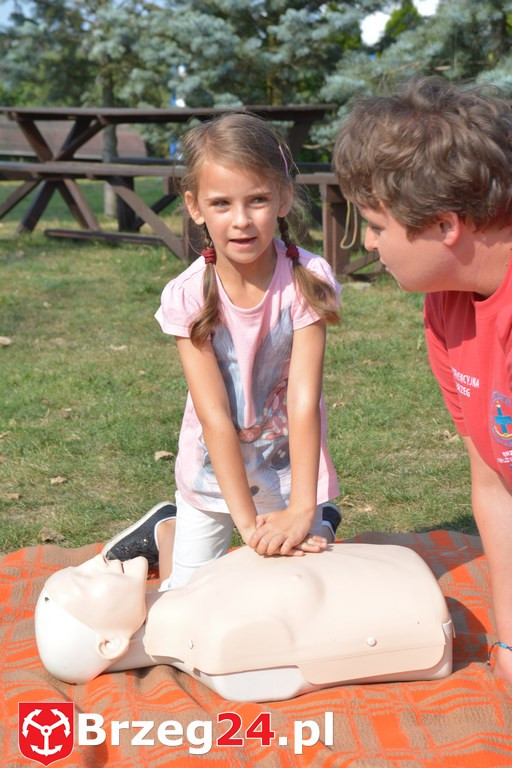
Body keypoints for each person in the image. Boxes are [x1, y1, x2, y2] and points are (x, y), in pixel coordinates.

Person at [103, 113, 341, 590]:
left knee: (300, 592)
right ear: (194, 206)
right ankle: (167, 528)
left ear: (284, 198)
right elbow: (214, 418)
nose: (241, 220)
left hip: (287, 467)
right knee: (186, 605)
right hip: (211, 472)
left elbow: (302, 401)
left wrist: (299, 511)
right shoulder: (187, 295)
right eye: (221, 203)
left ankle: (321, 516)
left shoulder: (307, 280)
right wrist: (249, 525)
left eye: (257, 200)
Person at [333, 75, 512, 684]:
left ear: (444, 224)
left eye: (377, 226)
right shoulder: (447, 301)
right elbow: (495, 486)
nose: (369, 245)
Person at [35, 546, 453, 698]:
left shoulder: (204, 583)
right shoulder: (222, 650)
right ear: (110, 644)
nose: (97, 560)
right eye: (86, 581)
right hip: (418, 610)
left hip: (405, 584)